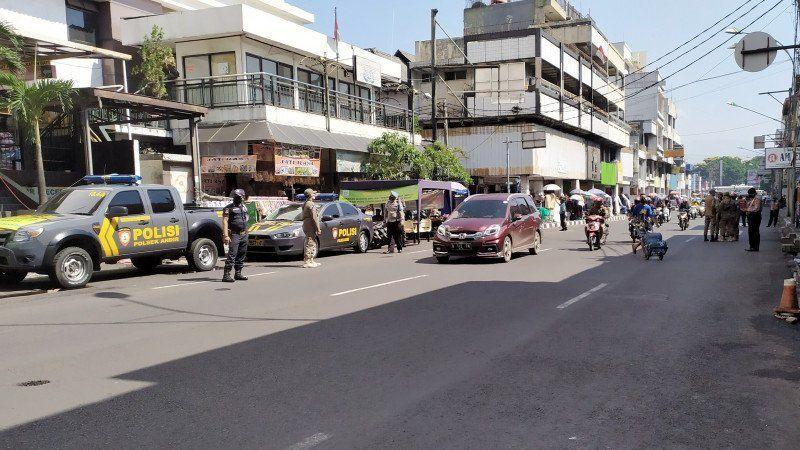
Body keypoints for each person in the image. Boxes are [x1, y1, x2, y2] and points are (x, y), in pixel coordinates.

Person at [221, 189, 250, 283]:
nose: (236, 198)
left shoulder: (244, 207)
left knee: (242, 254)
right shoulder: (228, 208)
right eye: (235, 196)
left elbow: (246, 219)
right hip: (234, 234)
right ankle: (226, 275)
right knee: (232, 254)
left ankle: (238, 273)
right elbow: (225, 221)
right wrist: (225, 235)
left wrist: (247, 231)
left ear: (242, 197)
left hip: (244, 234)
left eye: (239, 196)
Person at [301, 188, 321, 268]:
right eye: (313, 194)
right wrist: (318, 229)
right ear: (310, 195)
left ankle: (311, 260)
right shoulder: (310, 204)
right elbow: (314, 218)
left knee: (312, 241)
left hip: (308, 224)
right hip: (310, 224)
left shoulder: (307, 203)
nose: (314, 195)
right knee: (310, 242)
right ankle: (307, 261)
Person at [745, 187, 762, 252]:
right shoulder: (754, 199)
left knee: (753, 231)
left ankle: (753, 247)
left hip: (754, 216)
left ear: (753, 193)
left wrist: (747, 210)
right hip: (753, 215)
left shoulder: (757, 199)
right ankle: (753, 246)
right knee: (753, 231)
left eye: (750, 194)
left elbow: (756, 208)